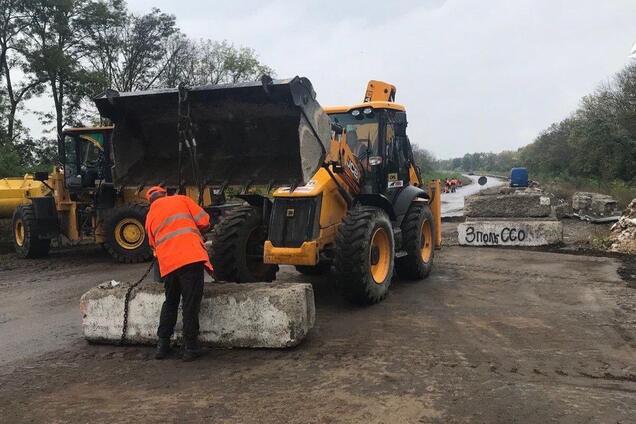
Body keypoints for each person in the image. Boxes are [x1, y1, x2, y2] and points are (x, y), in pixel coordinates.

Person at [144, 186, 213, 361]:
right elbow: (204, 220)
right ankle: (190, 347)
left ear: (150, 201)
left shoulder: (150, 215)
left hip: (168, 264)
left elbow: (153, 245)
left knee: (171, 301)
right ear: (165, 194)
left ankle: (162, 345)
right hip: (190, 257)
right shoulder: (181, 199)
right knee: (190, 302)